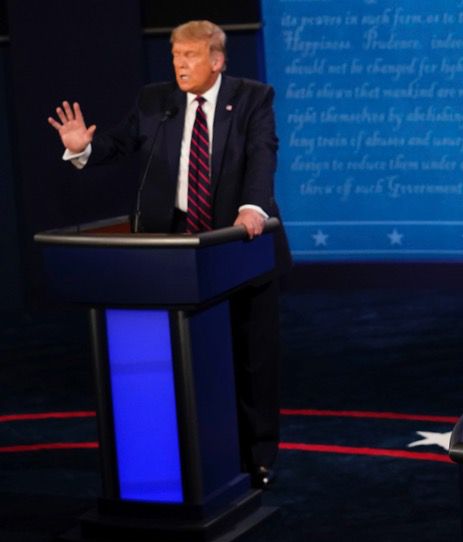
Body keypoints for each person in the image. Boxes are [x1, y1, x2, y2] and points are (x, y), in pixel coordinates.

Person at [47, 20, 290, 489]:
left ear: (217, 61)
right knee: (185, 361)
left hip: (240, 246)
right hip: (175, 254)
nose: (180, 64)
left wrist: (252, 206)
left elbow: (263, 154)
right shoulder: (155, 101)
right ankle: (195, 452)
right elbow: (118, 143)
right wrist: (84, 149)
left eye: (191, 56)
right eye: (176, 55)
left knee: (252, 359)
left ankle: (258, 454)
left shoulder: (254, 98)